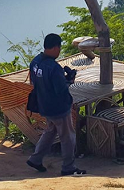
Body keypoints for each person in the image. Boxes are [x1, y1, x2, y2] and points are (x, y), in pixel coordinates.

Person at [26, 33, 87, 176]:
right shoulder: (54, 68)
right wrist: (69, 80)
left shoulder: (35, 62)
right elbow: (60, 89)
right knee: (68, 136)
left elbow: (34, 82)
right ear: (54, 48)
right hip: (58, 108)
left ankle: (35, 159)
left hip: (44, 105)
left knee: (50, 131)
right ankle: (68, 167)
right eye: (59, 48)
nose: (59, 51)